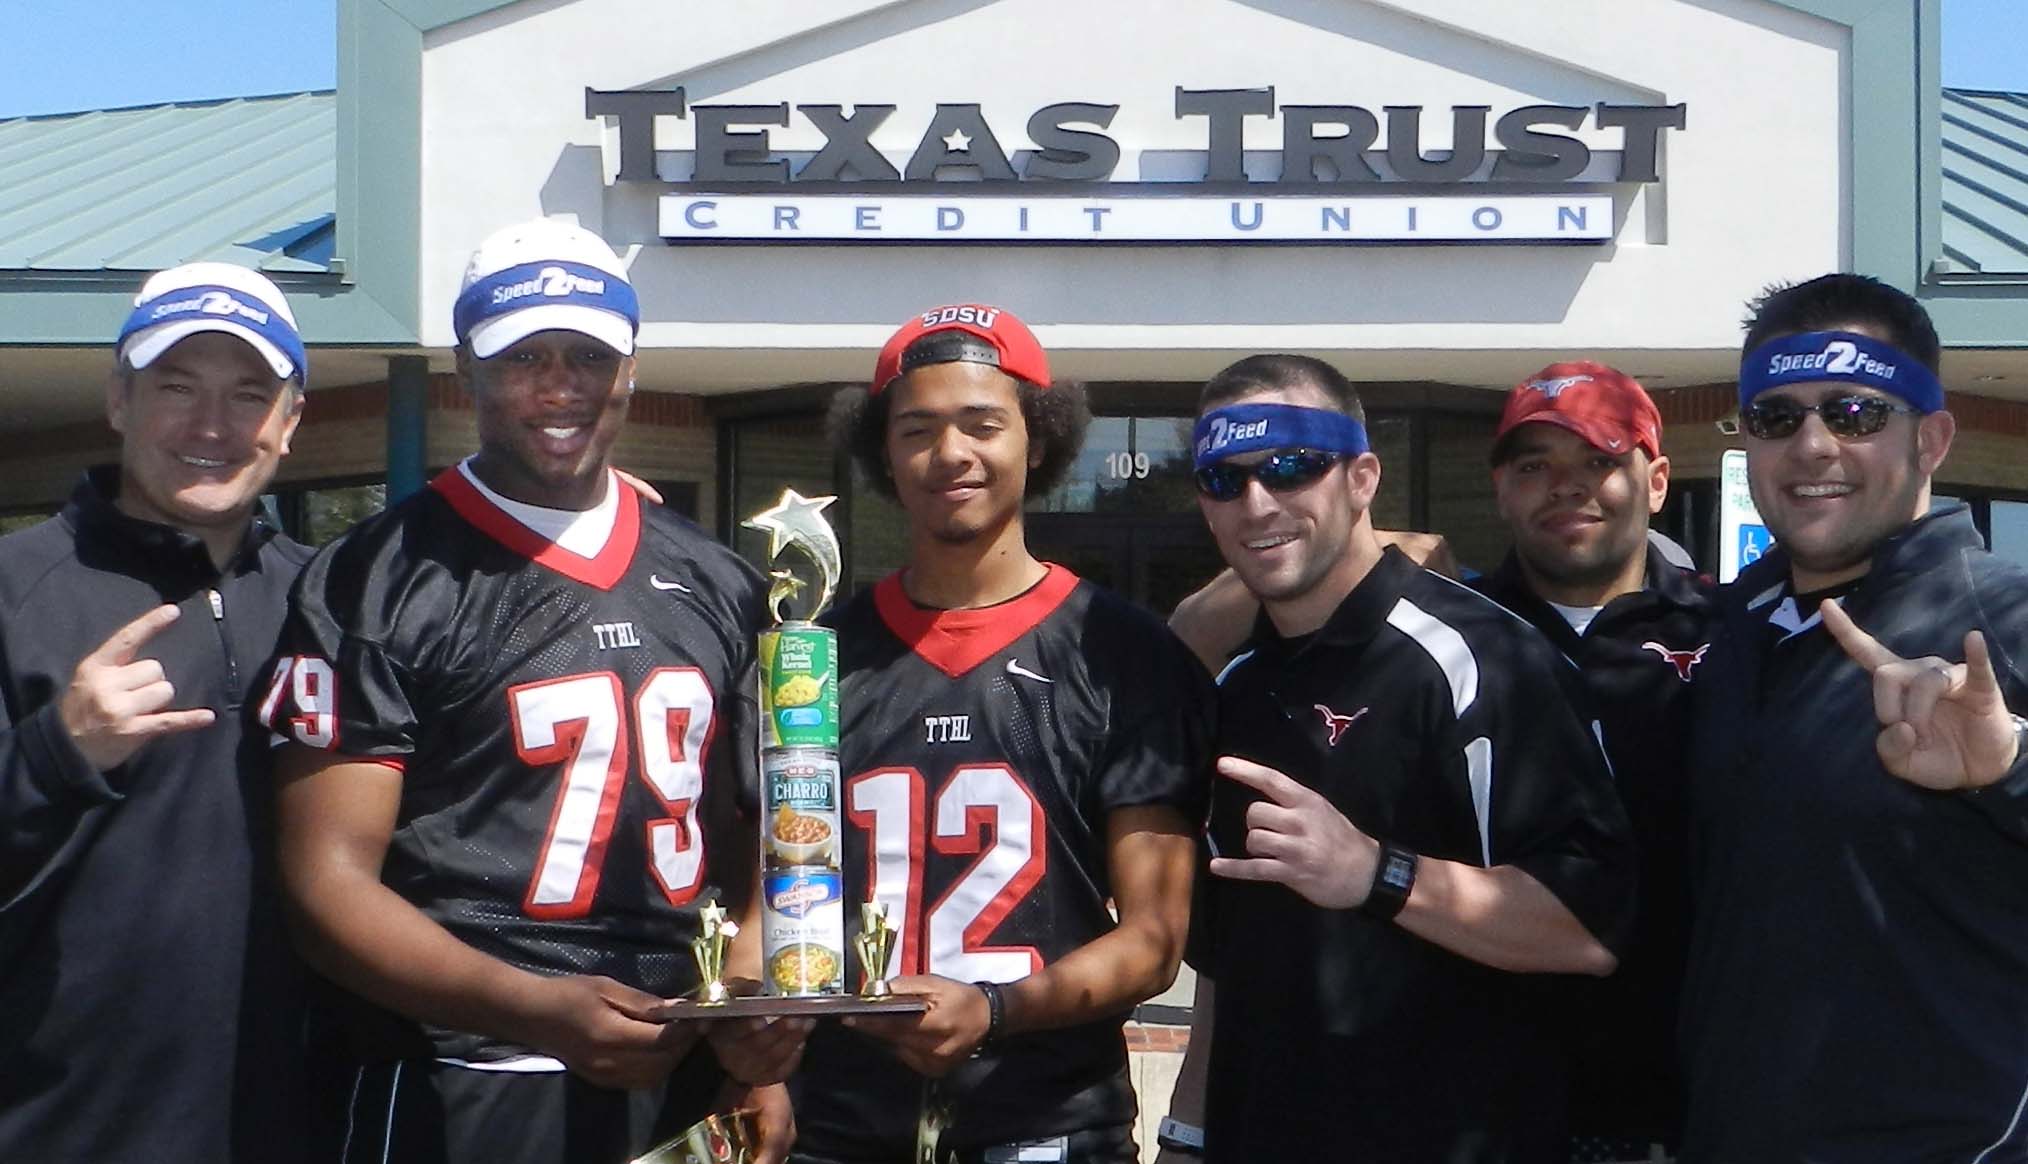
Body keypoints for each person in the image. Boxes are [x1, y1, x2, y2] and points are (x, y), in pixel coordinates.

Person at [259, 218, 801, 1164]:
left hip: (675, 1068)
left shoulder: (718, 577)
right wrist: (533, 1007)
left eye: (588, 356)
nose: (559, 388)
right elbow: (323, 886)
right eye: (524, 358)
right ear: (464, 368)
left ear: (630, 370)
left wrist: (752, 1029)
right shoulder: (375, 580)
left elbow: (755, 836)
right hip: (458, 1073)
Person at [1160, 354, 1635, 1164]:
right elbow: (1228, 961)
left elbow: (1589, 927)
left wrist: (1376, 873)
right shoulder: (1236, 684)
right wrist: (1185, 1133)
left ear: (1362, 479)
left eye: (1291, 467)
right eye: (1223, 479)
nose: (1258, 502)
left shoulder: (1481, 659)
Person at [786, 304, 1214, 1164]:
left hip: (1047, 1123)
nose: (951, 453)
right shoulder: (815, 657)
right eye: (917, 429)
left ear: (1039, 438)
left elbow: (1155, 942)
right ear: (882, 451)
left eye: (982, 424)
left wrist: (995, 1008)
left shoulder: (1123, 653)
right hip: (839, 1123)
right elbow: (779, 885)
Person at [1680, 274, 2028, 1162]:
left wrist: (2009, 768)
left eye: (1855, 413)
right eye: (1775, 417)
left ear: (1932, 439)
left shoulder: (2007, 619)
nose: (1812, 446)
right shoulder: (1726, 629)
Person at [0, 262, 311, 1163]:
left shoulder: (330, 599)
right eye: (176, 387)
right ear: (118, 400)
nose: (212, 425)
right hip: (60, 1127)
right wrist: (55, 753)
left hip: (297, 1120)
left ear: (289, 423)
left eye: (248, 394)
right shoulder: (13, 591)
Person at [1476, 362, 1715, 1162]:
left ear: (1656, 481)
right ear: (1501, 489)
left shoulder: (1735, 636)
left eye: (1600, 460)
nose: (1566, 486)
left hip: (1694, 1108)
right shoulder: (1446, 639)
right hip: (1487, 1108)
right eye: (1534, 465)